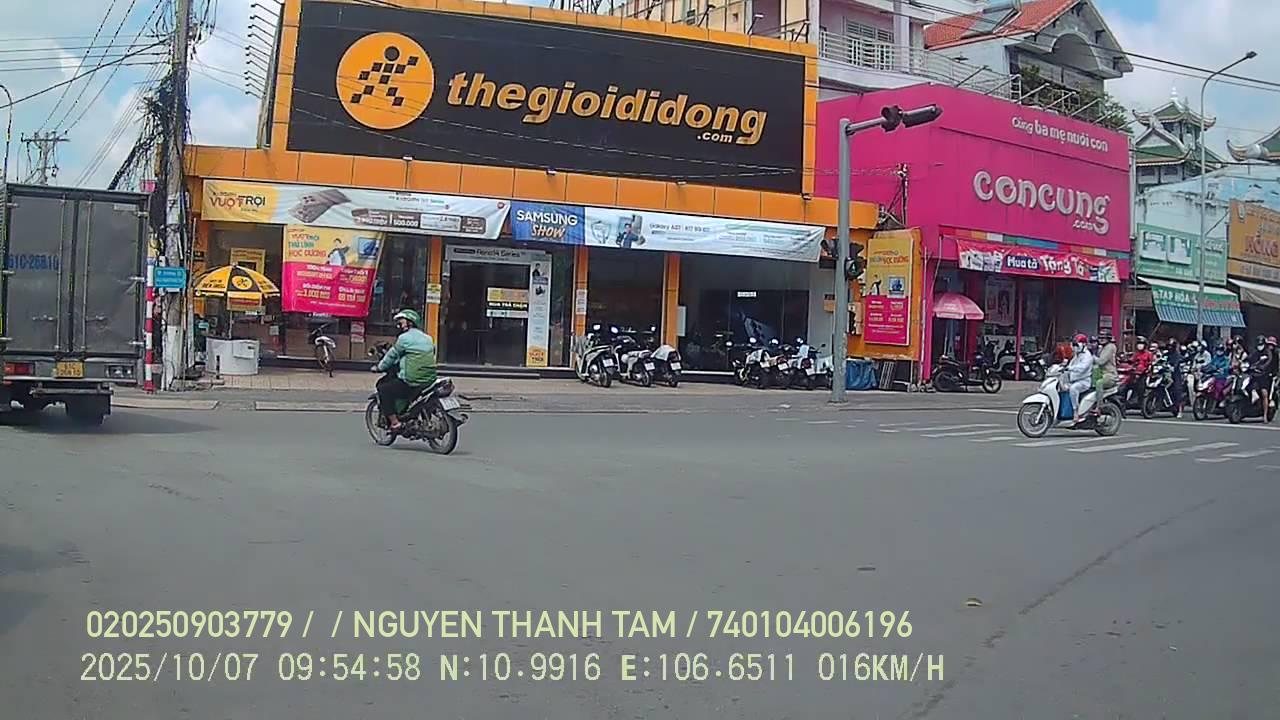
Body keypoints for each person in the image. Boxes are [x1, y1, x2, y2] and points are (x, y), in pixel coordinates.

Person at [371, 309, 437, 433]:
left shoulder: (404, 338)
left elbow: (392, 355)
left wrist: (379, 367)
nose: (399, 326)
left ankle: (395, 423)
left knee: (383, 389)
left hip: (411, 380)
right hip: (430, 380)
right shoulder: (428, 338)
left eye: (401, 323)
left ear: (410, 323)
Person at [1065, 333, 1095, 424]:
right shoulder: (1077, 355)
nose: (1074, 347)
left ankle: (1076, 412)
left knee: (1073, 389)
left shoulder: (1087, 356)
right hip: (1073, 379)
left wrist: (1071, 368)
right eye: (1073, 345)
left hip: (1083, 381)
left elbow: (1082, 368)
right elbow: (1069, 364)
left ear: (1084, 344)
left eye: (1076, 345)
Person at [1166, 338, 1185, 416]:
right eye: (1168, 346)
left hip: (1175, 375)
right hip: (1166, 374)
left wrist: (1173, 367)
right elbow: (1161, 360)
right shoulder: (1166, 354)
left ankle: (1180, 410)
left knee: (1177, 391)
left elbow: (1177, 363)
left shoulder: (1177, 355)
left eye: (1171, 346)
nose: (1169, 348)